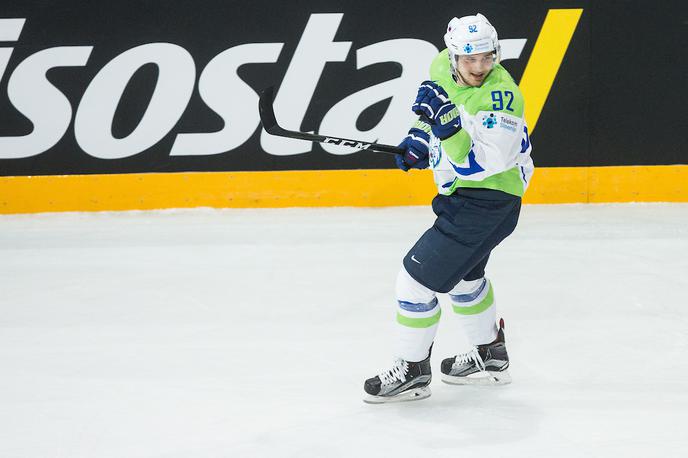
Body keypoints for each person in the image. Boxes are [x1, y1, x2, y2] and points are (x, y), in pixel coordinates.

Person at [363, 13, 534, 403]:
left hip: (487, 200)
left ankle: (411, 369)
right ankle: (490, 357)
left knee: (413, 282)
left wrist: (447, 130)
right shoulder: (442, 65)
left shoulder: (502, 97)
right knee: (464, 279)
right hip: (465, 197)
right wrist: (418, 140)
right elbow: (431, 112)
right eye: (470, 59)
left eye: (487, 58)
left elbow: (481, 165)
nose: (479, 67)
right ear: (454, 56)